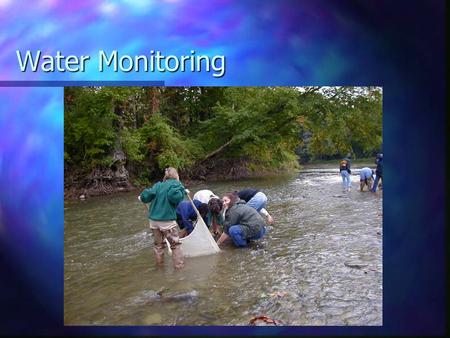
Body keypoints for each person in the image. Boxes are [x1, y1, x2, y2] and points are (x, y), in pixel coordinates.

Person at [139, 167, 186, 269]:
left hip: (153, 221)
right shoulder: (176, 184)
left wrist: (142, 197)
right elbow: (174, 197)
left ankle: (160, 267)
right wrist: (183, 191)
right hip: (166, 221)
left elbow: (147, 194)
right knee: (175, 245)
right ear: (176, 175)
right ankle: (179, 269)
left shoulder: (159, 185)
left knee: (158, 245)